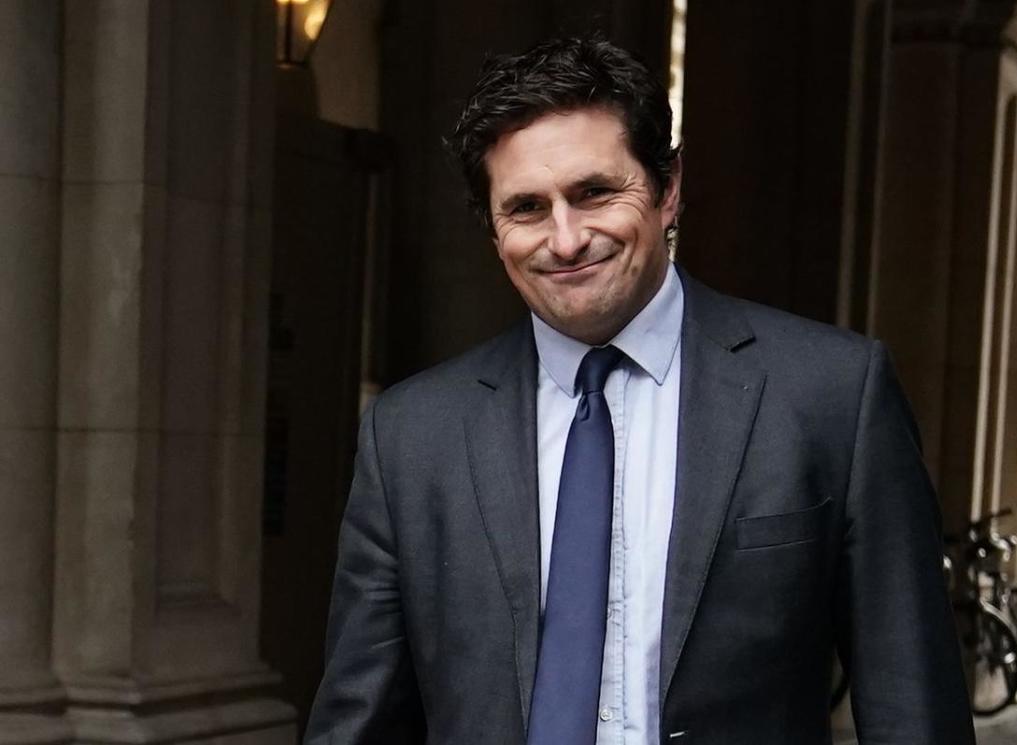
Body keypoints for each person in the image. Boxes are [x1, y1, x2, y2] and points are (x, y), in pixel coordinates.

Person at [304, 37, 974, 745]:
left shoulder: (833, 395)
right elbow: (360, 723)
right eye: (527, 207)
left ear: (669, 188)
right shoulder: (411, 436)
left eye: (594, 192)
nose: (565, 239)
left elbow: (914, 708)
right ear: (492, 228)